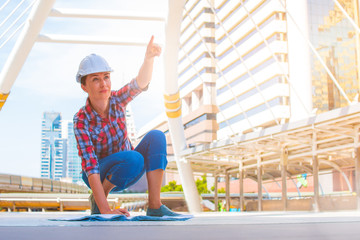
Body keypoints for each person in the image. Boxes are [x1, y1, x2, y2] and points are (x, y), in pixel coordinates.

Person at [73, 36, 179, 217]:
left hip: (129, 169)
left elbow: (140, 83)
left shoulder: (118, 100)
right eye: (96, 79)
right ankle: (99, 200)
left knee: (157, 137)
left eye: (106, 77)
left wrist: (149, 59)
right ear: (84, 86)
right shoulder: (81, 120)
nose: (104, 83)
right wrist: (105, 210)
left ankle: (154, 206)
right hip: (99, 175)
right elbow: (90, 167)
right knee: (134, 158)